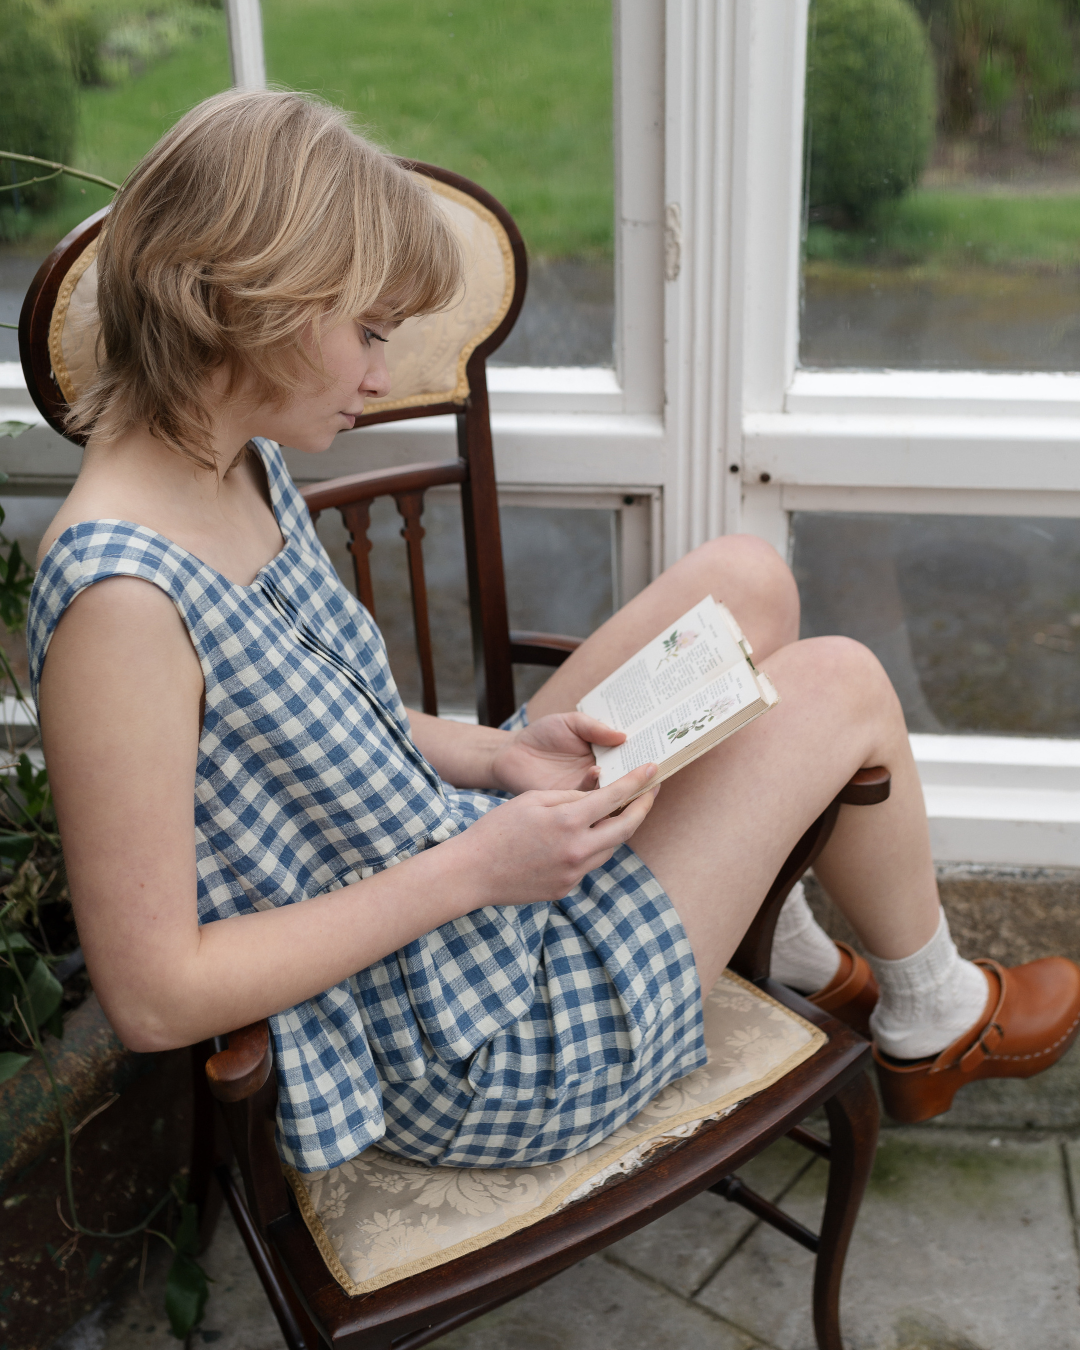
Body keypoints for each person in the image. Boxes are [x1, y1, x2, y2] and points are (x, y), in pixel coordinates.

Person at [29, 89, 1080, 1176]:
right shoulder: (123, 608)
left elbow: (316, 722)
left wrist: (494, 754)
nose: (383, 376)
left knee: (745, 581)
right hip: (482, 1043)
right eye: (370, 333)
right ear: (254, 302)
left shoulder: (231, 454)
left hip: (456, 862)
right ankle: (934, 1018)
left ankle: (792, 948)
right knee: (845, 684)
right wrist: (480, 868)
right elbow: (155, 996)